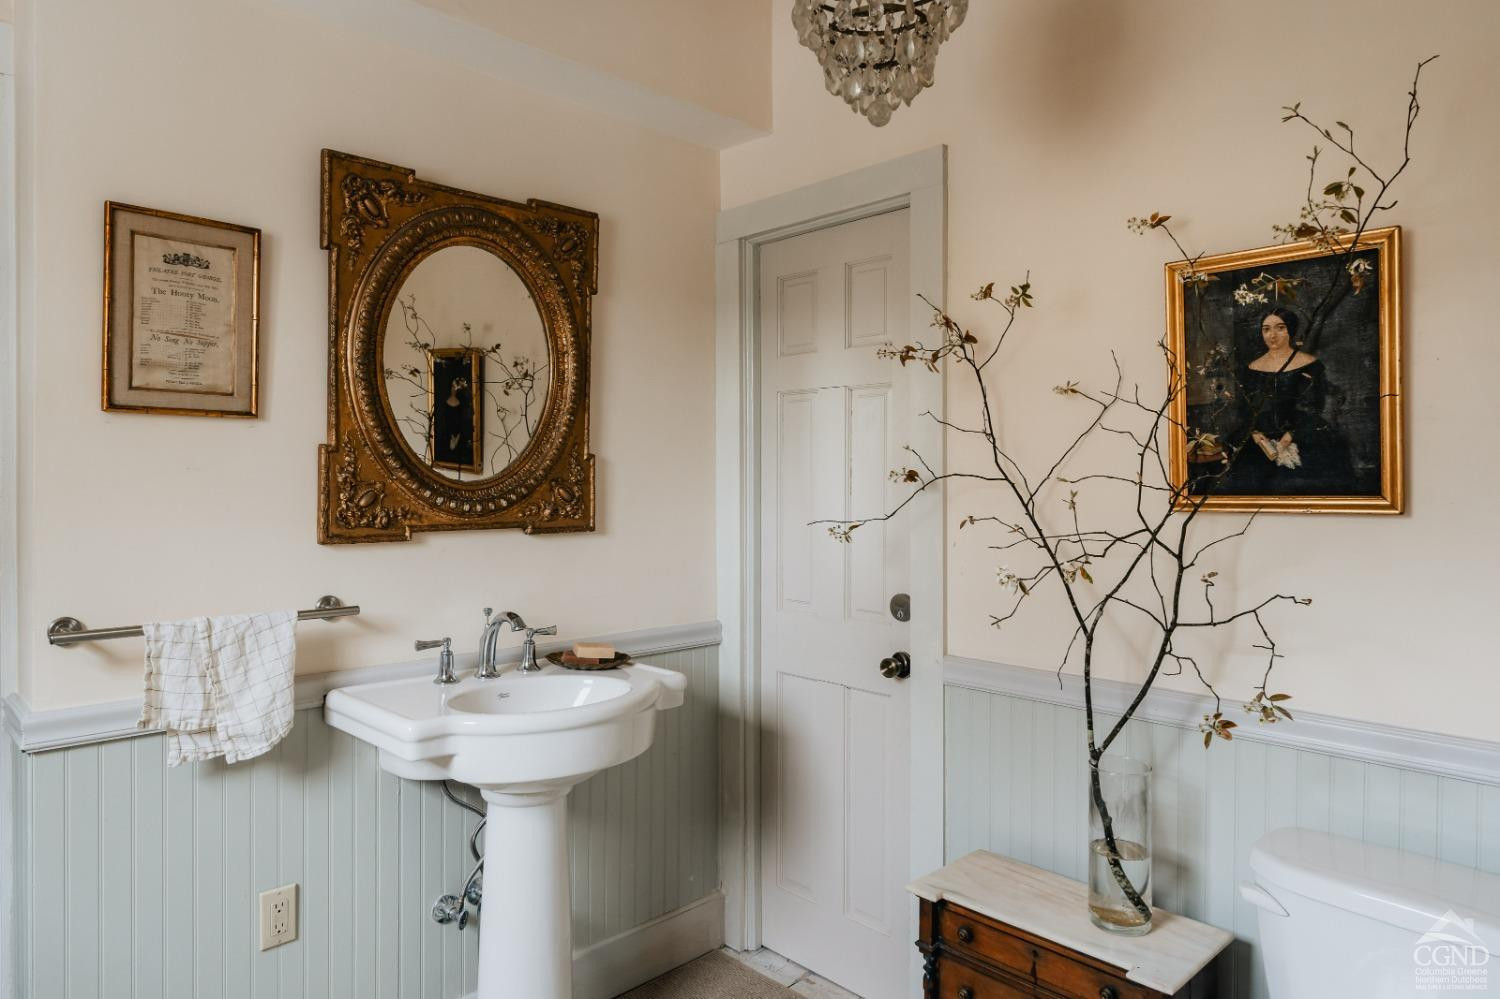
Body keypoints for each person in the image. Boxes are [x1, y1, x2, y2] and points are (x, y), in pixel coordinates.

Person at [1218, 306, 1354, 495]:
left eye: (1279, 328)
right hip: (1260, 439)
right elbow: (1245, 409)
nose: (1272, 335)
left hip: (1303, 432)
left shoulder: (1309, 364)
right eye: (1266, 329)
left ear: (1290, 329)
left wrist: (1291, 435)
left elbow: (1313, 407)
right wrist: (1255, 434)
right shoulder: (1251, 368)